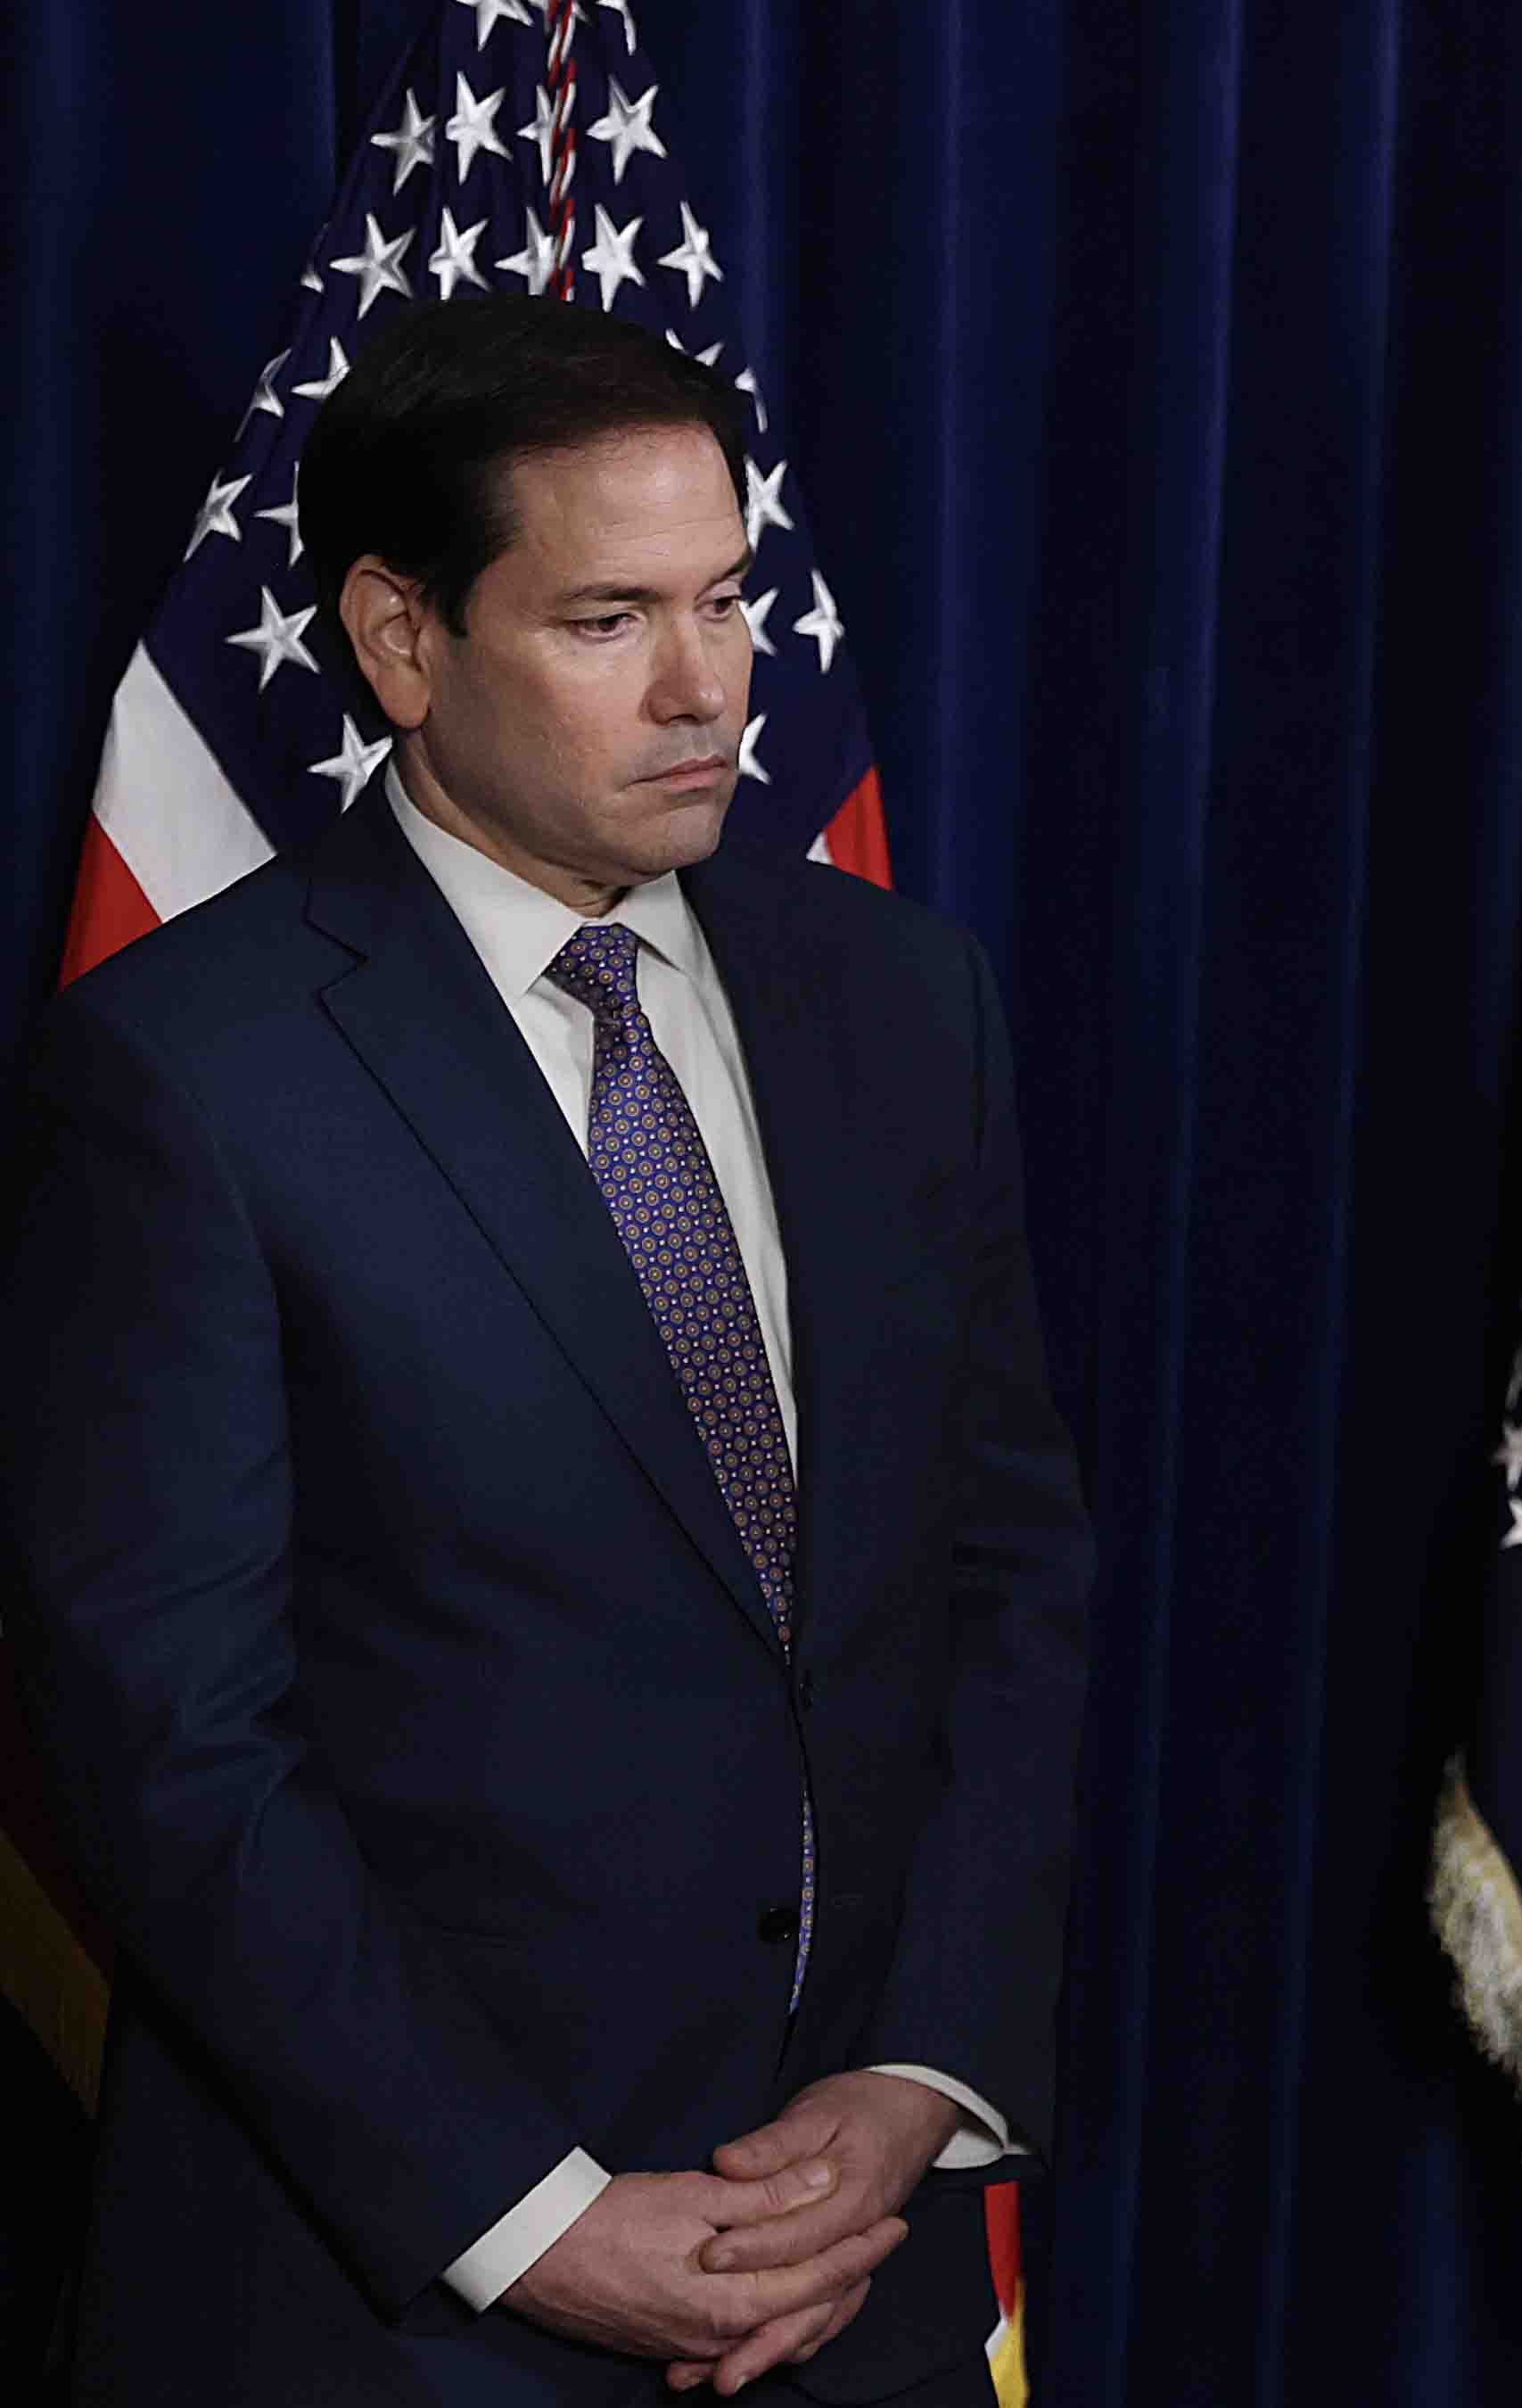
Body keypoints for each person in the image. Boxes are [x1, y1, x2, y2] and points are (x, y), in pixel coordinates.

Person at [3, 296, 1091, 2402]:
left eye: (726, 600)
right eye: (609, 620)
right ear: (406, 643)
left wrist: (921, 2077)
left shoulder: (903, 998)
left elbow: (1005, 1587)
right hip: (397, 2300)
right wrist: (536, 2217)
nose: (711, 691)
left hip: (860, 2262)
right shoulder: (180, 1079)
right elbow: (174, 1742)